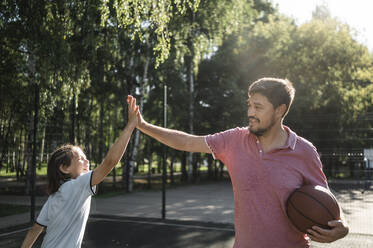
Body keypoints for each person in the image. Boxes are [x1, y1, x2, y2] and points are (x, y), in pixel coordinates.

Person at [129, 77, 349, 248]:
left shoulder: (304, 152)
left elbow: (326, 201)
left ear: (280, 110)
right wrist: (143, 125)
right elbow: (186, 141)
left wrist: (343, 227)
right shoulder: (234, 140)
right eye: (250, 105)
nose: (250, 112)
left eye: (258, 107)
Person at [21, 96, 139, 248]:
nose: (87, 161)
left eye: (86, 158)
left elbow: (34, 230)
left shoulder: (55, 196)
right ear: (64, 168)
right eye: (81, 159)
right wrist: (130, 126)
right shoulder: (77, 185)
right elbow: (110, 162)